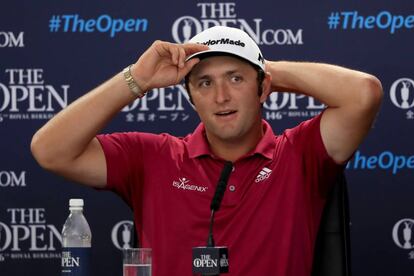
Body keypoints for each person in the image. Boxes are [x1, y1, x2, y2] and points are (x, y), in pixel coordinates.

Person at [31, 26, 383, 275]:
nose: (221, 97)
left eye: (235, 79)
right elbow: (50, 150)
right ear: (191, 98)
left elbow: (363, 94)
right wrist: (136, 80)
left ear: (264, 90)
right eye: (204, 83)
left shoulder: (299, 154)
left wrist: (262, 67)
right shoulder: (153, 157)